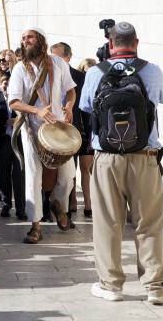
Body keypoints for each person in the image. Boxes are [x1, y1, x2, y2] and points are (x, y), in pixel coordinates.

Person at [79, 21, 163, 304]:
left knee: (107, 224)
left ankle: (111, 286)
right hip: (145, 157)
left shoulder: (94, 72)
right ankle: (156, 289)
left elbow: (85, 108)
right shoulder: (151, 71)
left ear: (111, 44)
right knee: (149, 224)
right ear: (136, 42)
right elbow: (158, 101)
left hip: (107, 159)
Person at [7, 27, 77, 244]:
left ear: (41, 41)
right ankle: (35, 225)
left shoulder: (59, 64)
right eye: (23, 39)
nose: (25, 41)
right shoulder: (19, 69)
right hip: (32, 130)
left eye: (29, 37)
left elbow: (71, 90)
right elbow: (13, 102)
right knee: (33, 177)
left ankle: (59, 205)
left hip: (58, 129)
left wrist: (69, 106)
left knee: (67, 176)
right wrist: (37, 110)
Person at [50, 42, 92, 218]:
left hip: (79, 130)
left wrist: (90, 133)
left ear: (68, 57)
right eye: (52, 56)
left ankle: (88, 204)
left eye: (58, 56)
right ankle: (70, 202)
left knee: (85, 168)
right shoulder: (48, 76)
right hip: (58, 131)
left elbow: (87, 108)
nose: (54, 60)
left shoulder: (80, 78)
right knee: (68, 171)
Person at [0, 74, 27, 220]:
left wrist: (20, 119)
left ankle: (21, 208)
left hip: (19, 142)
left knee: (19, 175)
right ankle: (5, 204)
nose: (7, 85)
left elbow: (29, 117)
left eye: (10, 82)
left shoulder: (21, 100)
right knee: (3, 175)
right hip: (2, 141)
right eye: (4, 82)